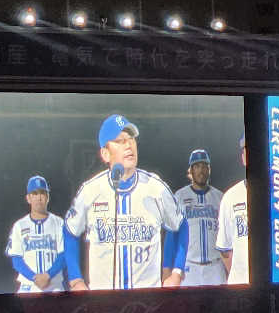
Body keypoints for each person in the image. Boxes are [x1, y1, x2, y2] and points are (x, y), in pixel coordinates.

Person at [64, 114, 186, 290]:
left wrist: (176, 273)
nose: (129, 145)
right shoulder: (90, 190)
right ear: (105, 154)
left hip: (147, 302)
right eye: (120, 141)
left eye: (131, 139)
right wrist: (76, 280)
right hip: (103, 303)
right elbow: (69, 230)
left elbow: (181, 224)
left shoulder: (155, 187)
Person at [163, 149, 226, 286]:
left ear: (209, 169)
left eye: (204, 166)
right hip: (189, 267)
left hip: (215, 266)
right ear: (190, 170)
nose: (201, 170)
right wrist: (167, 270)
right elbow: (171, 235)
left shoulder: (220, 197)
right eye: (197, 166)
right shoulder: (179, 196)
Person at [5, 175, 65, 293]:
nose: (39, 197)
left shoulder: (59, 223)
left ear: (47, 197)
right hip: (28, 286)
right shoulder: (19, 225)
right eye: (35, 193)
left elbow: (64, 255)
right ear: (28, 198)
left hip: (54, 286)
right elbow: (16, 259)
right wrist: (33, 277)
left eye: (42, 193)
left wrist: (48, 275)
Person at [216, 134, 249, 284]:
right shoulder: (231, 197)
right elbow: (224, 249)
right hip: (240, 285)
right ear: (243, 157)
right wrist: (239, 275)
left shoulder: (278, 193)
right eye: (246, 150)